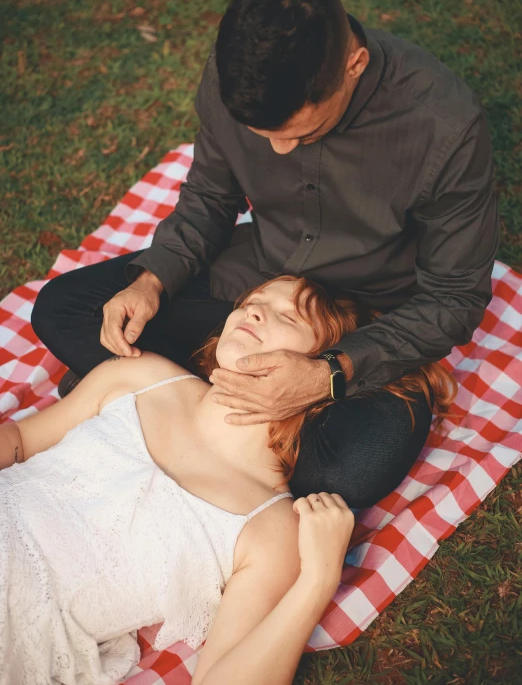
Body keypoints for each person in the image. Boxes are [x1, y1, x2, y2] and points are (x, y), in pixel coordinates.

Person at [31, 0, 497, 508]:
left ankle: (143, 394)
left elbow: (453, 298)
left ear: (355, 64)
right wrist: (153, 282)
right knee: (64, 308)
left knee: (350, 471)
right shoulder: (235, 78)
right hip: (257, 277)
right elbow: (209, 196)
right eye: (263, 136)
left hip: (368, 315)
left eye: (301, 134)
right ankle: (214, 417)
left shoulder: (444, 124)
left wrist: (328, 376)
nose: (279, 152)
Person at [0, 276, 454, 684]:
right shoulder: (140, 375)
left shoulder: (269, 528)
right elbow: (20, 441)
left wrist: (317, 580)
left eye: (287, 315)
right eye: (253, 300)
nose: (255, 310)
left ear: (315, 375)